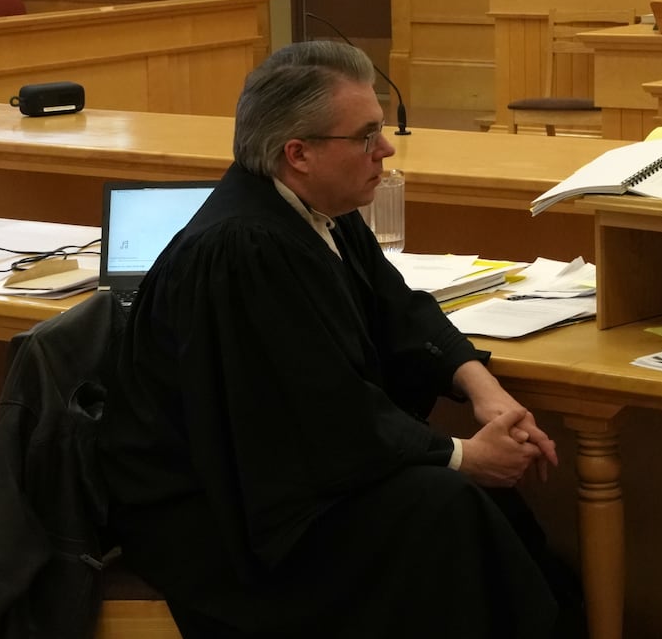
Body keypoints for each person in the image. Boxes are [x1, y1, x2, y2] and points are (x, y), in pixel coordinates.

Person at [99, 40, 580, 638]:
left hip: (291, 468)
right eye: (366, 135)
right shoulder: (244, 250)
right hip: (219, 514)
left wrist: (480, 386)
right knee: (447, 507)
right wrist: (462, 455)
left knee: (483, 506)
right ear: (297, 153)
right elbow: (316, 412)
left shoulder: (321, 209)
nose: (386, 149)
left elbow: (399, 309)